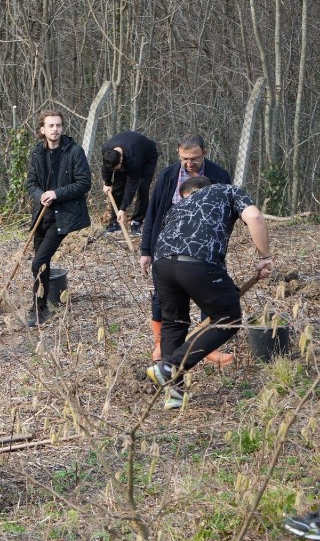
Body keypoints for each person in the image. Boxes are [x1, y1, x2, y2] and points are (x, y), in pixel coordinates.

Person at [142, 176, 271, 408]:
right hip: (197, 262)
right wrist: (264, 257)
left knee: (174, 322)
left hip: (162, 263)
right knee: (229, 319)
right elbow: (254, 217)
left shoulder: (179, 205)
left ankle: (174, 393)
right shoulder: (229, 191)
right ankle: (169, 366)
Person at [139, 134, 233, 365]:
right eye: (184, 159)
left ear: (205, 152)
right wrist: (145, 250)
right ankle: (161, 345)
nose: (189, 164)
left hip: (204, 249)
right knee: (163, 298)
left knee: (207, 296)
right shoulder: (168, 176)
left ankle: (206, 346)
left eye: (194, 159)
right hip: (167, 247)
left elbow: (226, 215)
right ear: (178, 153)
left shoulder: (219, 176)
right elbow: (153, 213)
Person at [24, 109, 91, 327]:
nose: (55, 129)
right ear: (42, 129)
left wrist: (56, 193)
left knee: (39, 261)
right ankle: (41, 302)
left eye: (58, 125)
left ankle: (38, 308)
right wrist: (40, 195)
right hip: (41, 215)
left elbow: (83, 183)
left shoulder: (74, 152)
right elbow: (31, 183)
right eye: (51, 126)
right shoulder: (36, 153)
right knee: (42, 262)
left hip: (63, 217)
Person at [100, 130, 159, 235]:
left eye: (116, 169)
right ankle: (114, 223)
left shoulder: (133, 159)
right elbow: (106, 168)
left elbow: (131, 186)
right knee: (117, 187)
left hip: (147, 157)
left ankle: (136, 221)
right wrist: (107, 183)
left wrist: (123, 208)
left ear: (121, 160)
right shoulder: (107, 150)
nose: (114, 171)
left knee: (142, 188)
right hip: (128, 151)